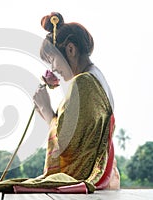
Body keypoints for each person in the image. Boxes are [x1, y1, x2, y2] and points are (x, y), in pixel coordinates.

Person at [33, 12, 120, 190]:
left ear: (70, 50)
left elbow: (68, 144)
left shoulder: (83, 82)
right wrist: (46, 113)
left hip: (86, 177)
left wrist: (47, 109)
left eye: (52, 61)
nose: (53, 69)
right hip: (109, 176)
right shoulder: (95, 76)